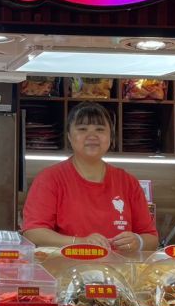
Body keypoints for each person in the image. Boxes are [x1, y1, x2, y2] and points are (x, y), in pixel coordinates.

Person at [22, 102, 159, 253]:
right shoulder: (49, 179)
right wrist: (80, 242)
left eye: (100, 129)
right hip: (66, 267)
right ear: (69, 136)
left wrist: (138, 241)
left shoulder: (128, 182)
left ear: (111, 136)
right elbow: (33, 233)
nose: (92, 136)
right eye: (82, 129)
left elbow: (151, 238)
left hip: (119, 268)